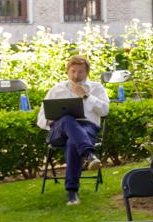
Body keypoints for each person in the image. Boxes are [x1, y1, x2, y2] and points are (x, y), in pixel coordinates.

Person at [37, 55, 110, 205]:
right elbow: (40, 118)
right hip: (59, 131)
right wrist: (51, 119)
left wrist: (85, 95)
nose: (76, 76)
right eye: (73, 71)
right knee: (67, 119)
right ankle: (89, 154)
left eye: (80, 72)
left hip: (87, 128)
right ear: (67, 71)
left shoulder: (96, 88)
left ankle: (72, 192)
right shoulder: (56, 90)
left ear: (87, 72)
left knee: (73, 142)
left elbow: (104, 111)